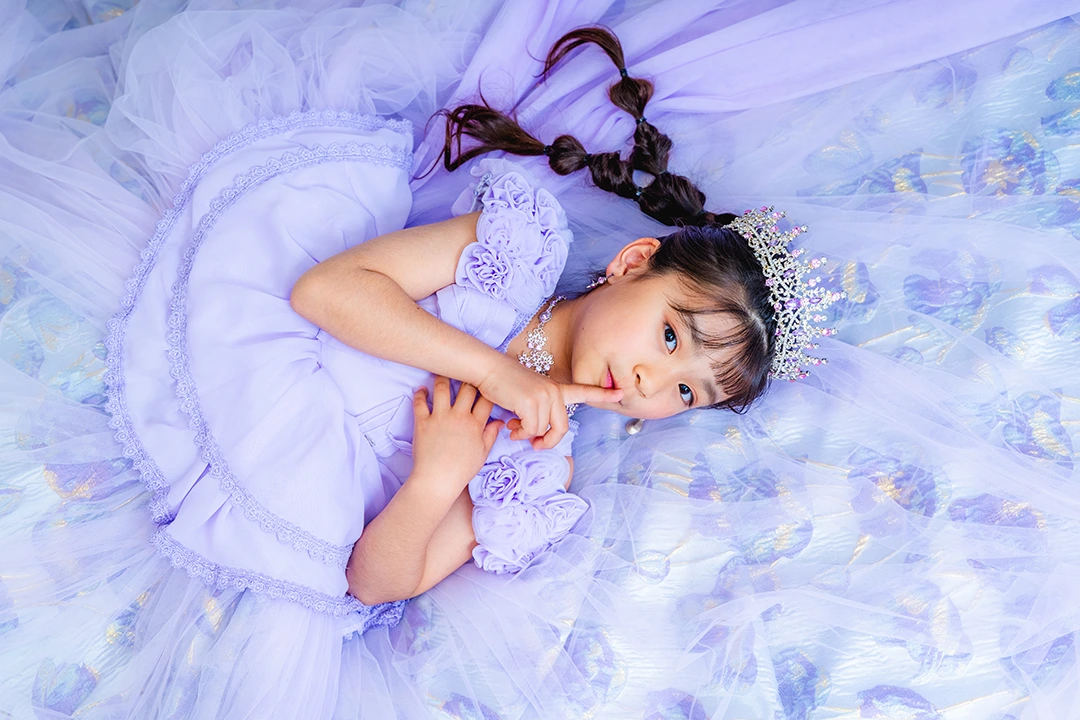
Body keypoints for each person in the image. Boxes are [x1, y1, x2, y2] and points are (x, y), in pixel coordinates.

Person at [2, 1, 1080, 719]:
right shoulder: (512, 251)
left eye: (685, 393)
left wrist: (437, 481)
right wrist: (497, 370)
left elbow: (373, 582)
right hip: (255, 347)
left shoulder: (536, 472)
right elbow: (327, 293)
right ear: (634, 264)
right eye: (669, 338)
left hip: (282, 481)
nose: (651, 384)